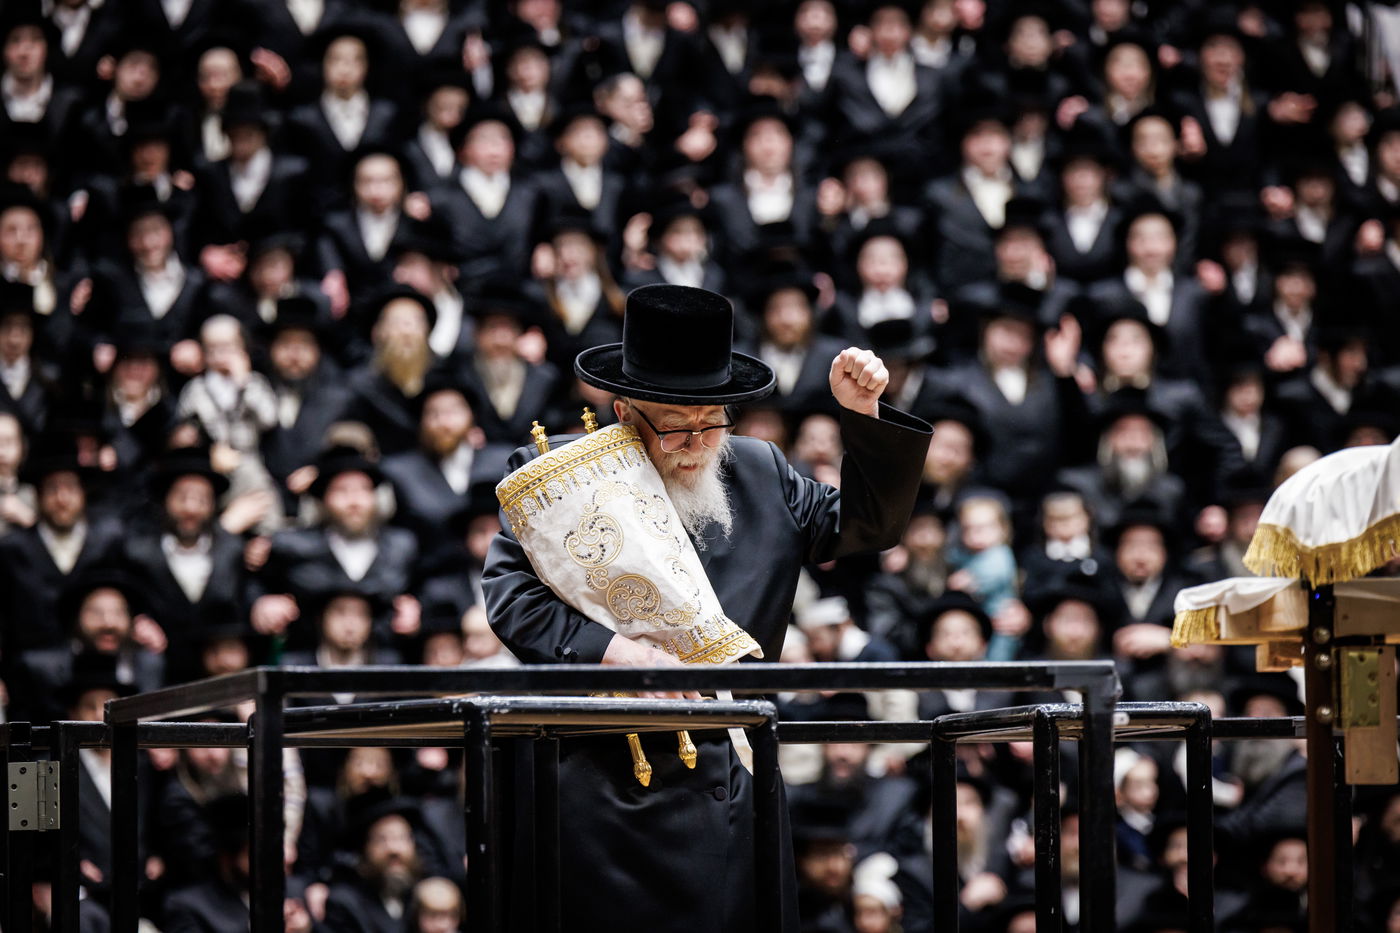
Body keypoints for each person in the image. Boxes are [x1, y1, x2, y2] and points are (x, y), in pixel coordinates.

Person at [482, 283, 931, 932]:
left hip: (734, 778)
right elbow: (509, 594)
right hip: (605, 787)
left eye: (712, 418)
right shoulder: (563, 477)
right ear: (625, 408)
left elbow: (869, 525)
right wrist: (614, 651)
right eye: (675, 422)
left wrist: (862, 413)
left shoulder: (760, 469)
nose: (697, 439)